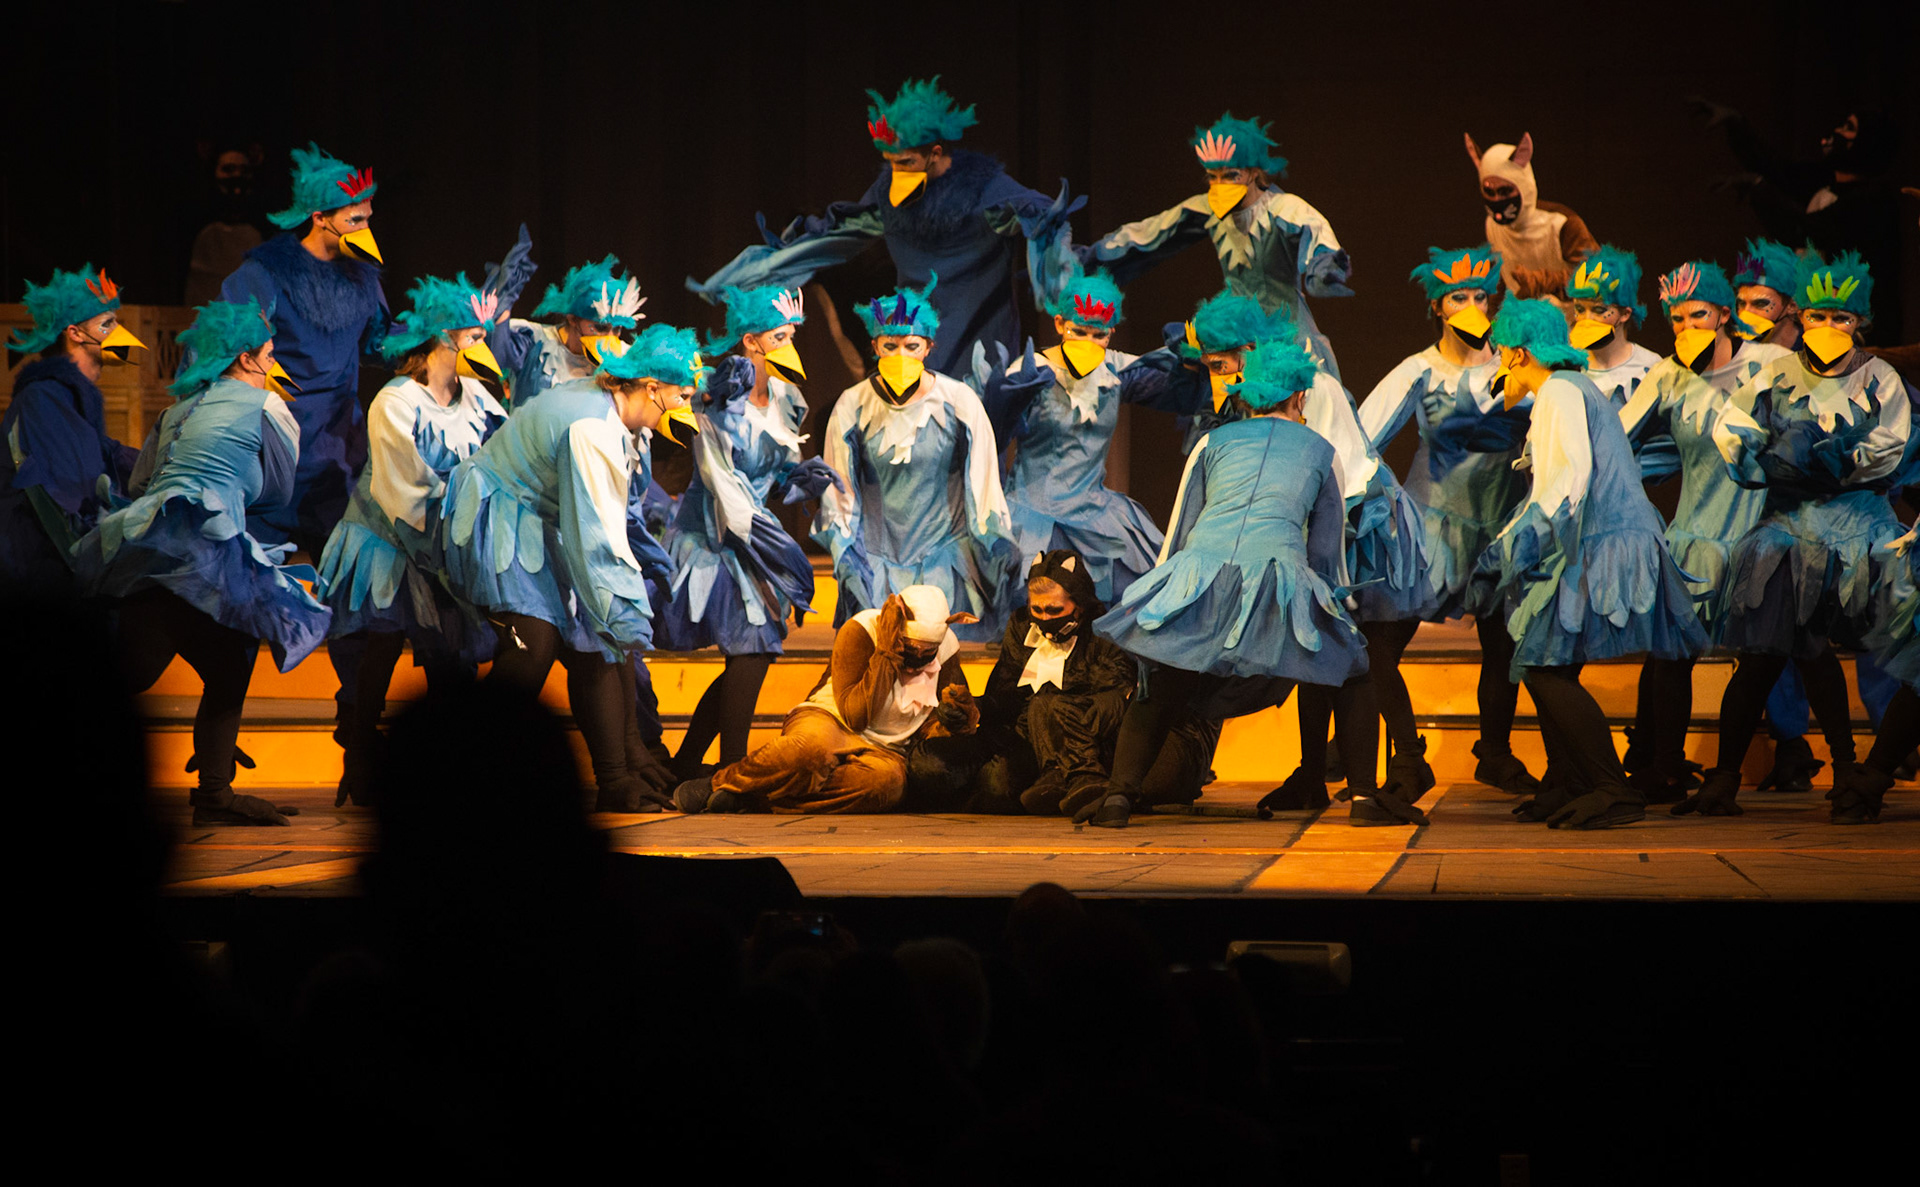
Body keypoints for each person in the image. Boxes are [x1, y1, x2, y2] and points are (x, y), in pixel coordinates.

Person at [1088, 333, 1405, 830]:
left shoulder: (1211, 442)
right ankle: (1364, 798)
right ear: (1300, 396)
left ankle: (1117, 799)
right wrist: (1331, 614)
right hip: (1277, 580)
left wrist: (1161, 603)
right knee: (1352, 670)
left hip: (1200, 578)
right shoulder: (1322, 451)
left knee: (1163, 680)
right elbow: (1326, 552)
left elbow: (1180, 532)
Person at [73, 297, 330, 824]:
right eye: (269, 353)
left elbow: (142, 484)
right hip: (204, 549)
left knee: (217, 659)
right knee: (206, 662)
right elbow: (278, 494)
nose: (274, 362)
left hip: (150, 542)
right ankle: (212, 792)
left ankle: (214, 792)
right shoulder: (267, 406)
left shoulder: (176, 410)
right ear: (246, 358)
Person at [1674, 251, 1908, 819]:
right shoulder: (1776, 374)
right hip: (1788, 532)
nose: (1827, 327)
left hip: (1859, 536)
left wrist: (1840, 463)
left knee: (1878, 650)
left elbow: (1891, 444)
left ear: (1859, 322)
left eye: (1840, 317)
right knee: (1763, 658)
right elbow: (1733, 430)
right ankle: (1726, 777)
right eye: (1817, 316)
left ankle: (1857, 769)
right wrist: (1769, 459)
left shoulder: (1879, 377)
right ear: (1800, 316)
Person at [441, 324, 704, 812]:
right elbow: (595, 534)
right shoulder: (593, 427)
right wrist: (619, 602)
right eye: (682, 396)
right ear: (652, 389)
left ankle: (620, 773)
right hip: (502, 514)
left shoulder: (622, 419)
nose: (686, 409)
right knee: (536, 644)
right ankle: (458, 774)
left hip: (546, 520)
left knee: (597, 638)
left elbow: (612, 514)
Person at [1616, 260, 1849, 803]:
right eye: (1676, 319)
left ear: (1724, 315)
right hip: (1696, 537)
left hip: (1763, 539)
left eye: (1697, 315)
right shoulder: (1667, 376)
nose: (1686, 328)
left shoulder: (1770, 364)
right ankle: (1667, 767)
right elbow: (1616, 437)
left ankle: (1844, 770)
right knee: (1672, 656)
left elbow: (1825, 425)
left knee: (1802, 650)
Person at [1477, 299, 1707, 829]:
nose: (1499, 364)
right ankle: (1568, 781)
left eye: (1502, 352)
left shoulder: (1559, 391)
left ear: (1518, 354)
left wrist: (1513, 546)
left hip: (1602, 541)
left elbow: (1568, 481)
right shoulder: (1570, 388)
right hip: (1598, 537)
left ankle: (1610, 788)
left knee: (1543, 666)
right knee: (1553, 664)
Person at [688, 77, 1063, 376]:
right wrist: (754, 272)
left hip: (978, 344)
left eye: (906, 162)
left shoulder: (985, 191)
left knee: (972, 433)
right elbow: (836, 235)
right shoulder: (889, 193)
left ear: (935, 154)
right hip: (912, 342)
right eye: (890, 161)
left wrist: (1056, 274)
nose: (896, 172)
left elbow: (1043, 218)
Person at [314, 274, 508, 806]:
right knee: (381, 644)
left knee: (451, 652)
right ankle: (360, 758)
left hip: (444, 536)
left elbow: (499, 455)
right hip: (389, 535)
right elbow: (403, 485)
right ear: (443, 338)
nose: (481, 346)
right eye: (473, 336)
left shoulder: (475, 396)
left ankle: (452, 769)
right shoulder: (396, 400)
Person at [1357, 246, 1539, 795]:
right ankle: (1407, 757)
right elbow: (1362, 437)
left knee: (1503, 649)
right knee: (1380, 643)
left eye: (1481, 296)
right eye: (1458, 297)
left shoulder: (1516, 365)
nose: (1472, 307)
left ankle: (1496, 754)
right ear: (1437, 306)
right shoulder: (1420, 369)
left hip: (1500, 526)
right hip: (1432, 527)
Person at [657, 284, 843, 779]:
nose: (788, 344)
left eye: (792, 335)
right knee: (753, 647)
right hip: (716, 536)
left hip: (754, 532)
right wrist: (778, 550)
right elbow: (722, 483)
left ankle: (693, 763)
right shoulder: (716, 402)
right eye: (778, 336)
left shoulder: (787, 397)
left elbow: (775, 472)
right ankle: (731, 769)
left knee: (750, 653)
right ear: (751, 341)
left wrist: (796, 481)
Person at [973, 263, 1205, 604]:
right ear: (1059, 324)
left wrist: (1191, 361)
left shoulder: (1115, 369)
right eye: (1080, 332)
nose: (1090, 343)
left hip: (1096, 515)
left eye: (1100, 335)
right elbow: (991, 433)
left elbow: (1176, 391)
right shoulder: (1030, 371)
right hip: (1034, 520)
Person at [815, 277, 1016, 642]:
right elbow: (840, 490)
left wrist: (995, 544)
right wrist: (847, 555)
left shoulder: (958, 400)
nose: (901, 356)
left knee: (940, 659)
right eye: (890, 346)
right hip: (877, 565)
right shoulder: (853, 404)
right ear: (875, 346)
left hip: (945, 560)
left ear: (928, 347)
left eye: (911, 345)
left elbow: (983, 481)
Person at [671, 584, 981, 815]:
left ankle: (754, 797)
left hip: (887, 749)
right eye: (911, 648)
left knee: (888, 786)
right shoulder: (862, 629)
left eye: (927, 652)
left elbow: (935, 722)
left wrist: (956, 717)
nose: (918, 659)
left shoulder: (947, 649)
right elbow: (855, 716)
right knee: (810, 755)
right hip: (832, 720)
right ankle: (718, 783)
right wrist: (887, 653)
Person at [1078, 112, 1351, 374]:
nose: (1220, 185)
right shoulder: (1207, 209)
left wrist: (1324, 268)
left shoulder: (1285, 209)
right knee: (1187, 375)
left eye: (1231, 175)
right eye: (1213, 176)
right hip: (1234, 332)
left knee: (1309, 386)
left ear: (1253, 172)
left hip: (1287, 330)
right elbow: (1150, 232)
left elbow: (1318, 235)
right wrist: (1085, 258)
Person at [218, 142, 388, 554]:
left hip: (338, 446)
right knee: (263, 566)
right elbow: (225, 346)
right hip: (279, 443)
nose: (364, 228)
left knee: (338, 565)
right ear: (320, 218)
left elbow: (379, 341)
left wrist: (436, 335)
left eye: (367, 218)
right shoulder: (267, 273)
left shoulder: (361, 276)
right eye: (354, 219)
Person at [970, 549, 1216, 816]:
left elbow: (1115, 704)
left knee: (1047, 707)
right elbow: (1005, 694)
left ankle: (1084, 779)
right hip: (1040, 737)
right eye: (1036, 609)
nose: (1045, 619)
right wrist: (974, 708)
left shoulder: (1103, 634)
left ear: (1079, 606)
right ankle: (1059, 778)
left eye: (1054, 610)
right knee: (995, 782)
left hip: (1110, 741)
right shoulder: (1021, 628)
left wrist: (1056, 708)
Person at [1, 265, 145, 597]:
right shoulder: (45, 398)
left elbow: (109, 453)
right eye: (107, 323)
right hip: (37, 577)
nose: (118, 332)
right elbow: (74, 491)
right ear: (75, 333)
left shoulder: (68, 398)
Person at [484, 230, 645, 407]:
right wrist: (504, 300)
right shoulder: (534, 343)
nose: (610, 337)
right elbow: (498, 353)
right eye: (600, 327)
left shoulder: (624, 357)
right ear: (573, 319)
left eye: (617, 329)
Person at [1464, 132, 1597, 301]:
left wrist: (1543, 282)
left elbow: (1598, 277)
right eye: (1489, 192)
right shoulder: (1493, 225)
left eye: (1505, 191)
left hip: (1570, 316)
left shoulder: (1561, 224)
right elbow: (1501, 281)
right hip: (1521, 316)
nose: (1497, 200)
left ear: (1522, 185)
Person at [1565, 245, 1663, 409]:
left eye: (1599, 310)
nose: (1587, 319)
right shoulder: (1565, 363)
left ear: (1625, 313)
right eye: (1580, 309)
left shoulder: (1650, 366)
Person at [1732, 238, 1804, 351]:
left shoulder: (1811, 350)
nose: (1746, 312)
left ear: (1792, 306)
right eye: (1741, 304)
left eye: (1760, 304)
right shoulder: (1731, 349)